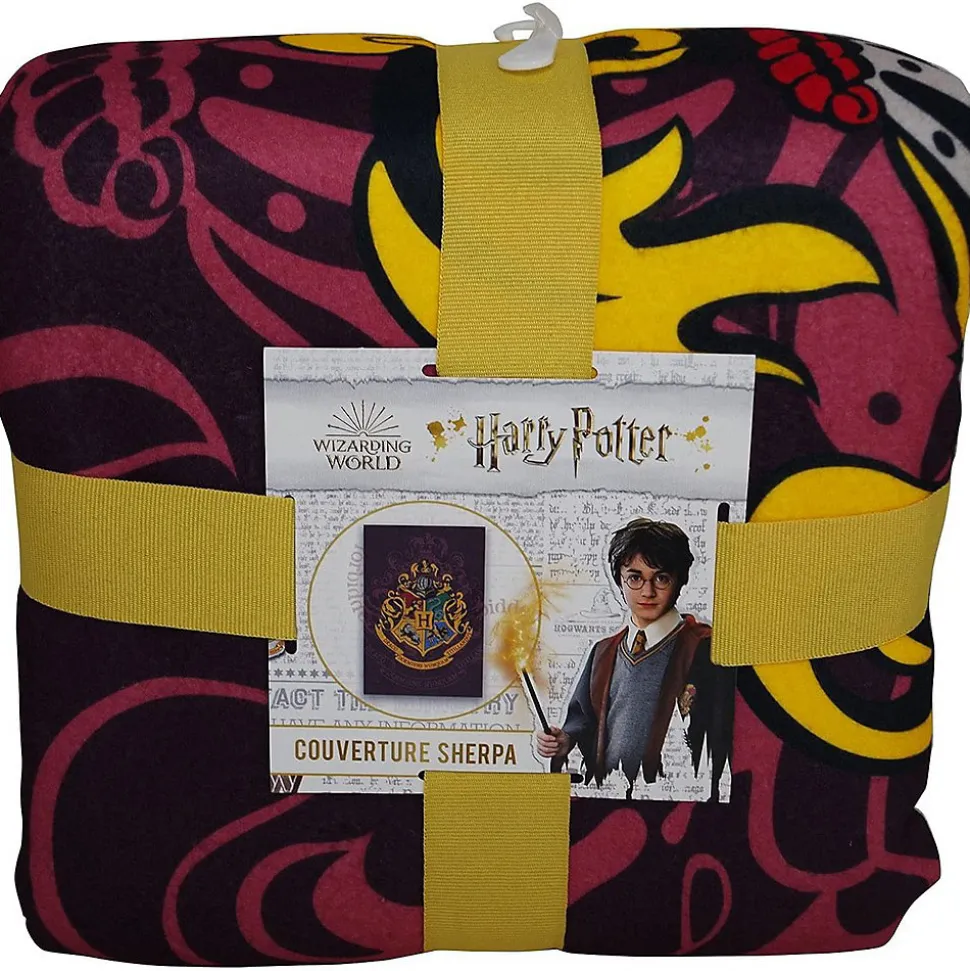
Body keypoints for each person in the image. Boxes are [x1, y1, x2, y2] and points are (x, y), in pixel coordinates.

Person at [537, 518, 733, 800]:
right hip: (609, 799)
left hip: (673, 801)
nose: (648, 591)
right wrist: (563, 741)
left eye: (661, 578)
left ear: (681, 580)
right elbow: (582, 722)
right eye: (635, 578)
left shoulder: (706, 649)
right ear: (620, 580)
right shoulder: (603, 652)